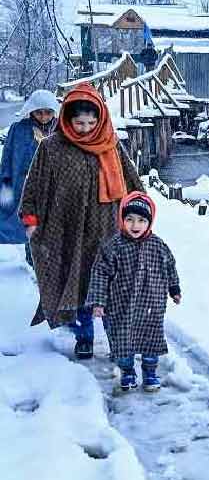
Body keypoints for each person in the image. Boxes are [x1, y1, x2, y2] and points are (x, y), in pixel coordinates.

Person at [19, 83, 144, 360]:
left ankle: (119, 340)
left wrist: (141, 214)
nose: (85, 129)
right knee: (78, 287)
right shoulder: (52, 148)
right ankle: (84, 337)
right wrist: (30, 218)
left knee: (113, 287)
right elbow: (33, 187)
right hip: (68, 230)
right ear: (67, 119)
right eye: (79, 123)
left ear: (100, 119)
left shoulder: (111, 145)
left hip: (108, 230)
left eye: (90, 123)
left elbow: (133, 184)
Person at [87, 192, 181, 392]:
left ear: (149, 222)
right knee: (123, 342)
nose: (135, 225)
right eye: (129, 219)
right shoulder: (113, 246)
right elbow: (100, 273)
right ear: (122, 220)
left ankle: (150, 373)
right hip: (121, 306)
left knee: (151, 341)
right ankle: (127, 371)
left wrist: (174, 289)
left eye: (141, 220)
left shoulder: (158, 245)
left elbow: (170, 267)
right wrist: (98, 302)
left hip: (151, 306)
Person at [0, 90, 59, 248]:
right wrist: (5, 181)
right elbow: (7, 157)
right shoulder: (18, 129)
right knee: (24, 219)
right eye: (39, 112)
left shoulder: (60, 129)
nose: (44, 117)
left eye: (48, 112)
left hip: (52, 184)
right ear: (31, 110)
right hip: (23, 183)